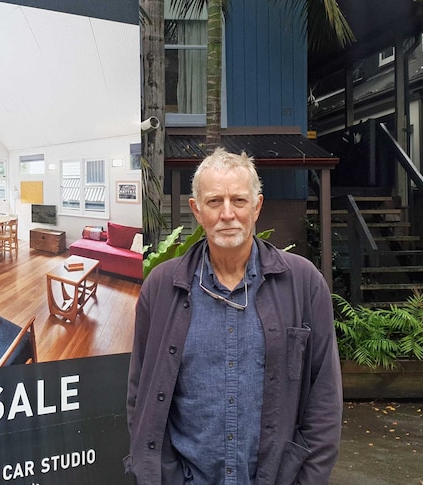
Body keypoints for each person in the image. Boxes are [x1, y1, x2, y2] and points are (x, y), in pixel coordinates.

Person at [125, 148, 342, 484]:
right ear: (196, 210)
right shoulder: (162, 287)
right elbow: (141, 392)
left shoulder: (303, 283)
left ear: (256, 207)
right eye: (214, 202)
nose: (228, 214)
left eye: (239, 201)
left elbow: (324, 398)